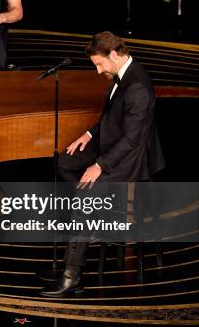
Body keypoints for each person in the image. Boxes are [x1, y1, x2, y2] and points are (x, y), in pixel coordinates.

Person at [39, 31, 165, 298]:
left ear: (115, 55)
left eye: (99, 64)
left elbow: (131, 140)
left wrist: (99, 166)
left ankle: (72, 276)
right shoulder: (121, 76)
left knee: (84, 199)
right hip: (111, 144)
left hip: (131, 159)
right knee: (64, 162)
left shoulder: (138, 87)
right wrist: (88, 134)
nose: (97, 71)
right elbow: (112, 117)